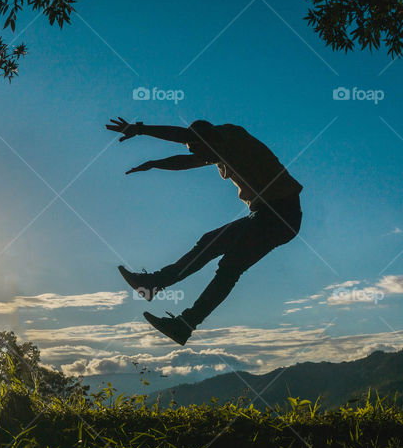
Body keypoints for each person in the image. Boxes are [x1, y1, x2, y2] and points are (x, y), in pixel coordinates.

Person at [106, 117, 303, 345]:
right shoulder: (218, 150)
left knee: (229, 267)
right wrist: (154, 163)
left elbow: (187, 139)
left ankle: (184, 323)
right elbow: (185, 161)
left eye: (198, 149)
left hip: (281, 215)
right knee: (209, 242)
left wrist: (140, 129)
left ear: (208, 140)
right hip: (266, 215)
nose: (199, 158)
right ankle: (153, 285)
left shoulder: (233, 137)